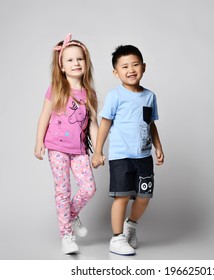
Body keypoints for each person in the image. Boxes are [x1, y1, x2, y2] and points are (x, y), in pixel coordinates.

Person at [92, 45, 164, 256]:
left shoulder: (150, 96)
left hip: (143, 156)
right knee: (121, 197)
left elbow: (150, 123)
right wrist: (98, 151)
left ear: (143, 67)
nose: (131, 69)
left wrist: (158, 146)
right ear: (116, 72)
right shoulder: (116, 96)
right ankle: (116, 238)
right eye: (124, 66)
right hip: (121, 156)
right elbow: (105, 123)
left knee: (144, 197)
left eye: (135, 64)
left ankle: (130, 225)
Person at [34, 34, 98, 255]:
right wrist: (38, 141)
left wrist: (98, 150)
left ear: (86, 62)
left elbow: (93, 125)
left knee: (89, 188)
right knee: (62, 191)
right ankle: (67, 236)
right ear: (61, 66)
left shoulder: (89, 94)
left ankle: (70, 215)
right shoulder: (56, 88)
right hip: (56, 148)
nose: (76, 63)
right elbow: (44, 115)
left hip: (79, 150)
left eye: (79, 59)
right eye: (70, 60)